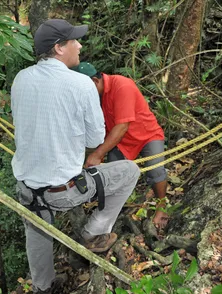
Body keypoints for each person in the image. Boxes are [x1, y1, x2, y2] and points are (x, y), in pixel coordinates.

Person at [11, 19, 140, 294]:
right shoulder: (81, 84)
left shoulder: (21, 78)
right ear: (59, 48)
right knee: (129, 171)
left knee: (37, 229)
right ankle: (93, 233)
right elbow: (95, 140)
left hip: (26, 188)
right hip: (64, 192)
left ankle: (43, 288)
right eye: (74, 41)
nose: (79, 45)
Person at [72, 62, 169, 230]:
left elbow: (122, 126)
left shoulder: (122, 86)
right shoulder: (95, 96)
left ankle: (161, 206)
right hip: (120, 141)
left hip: (146, 135)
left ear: (95, 81)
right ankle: (112, 213)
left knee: (155, 170)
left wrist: (98, 154)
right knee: (113, 176)